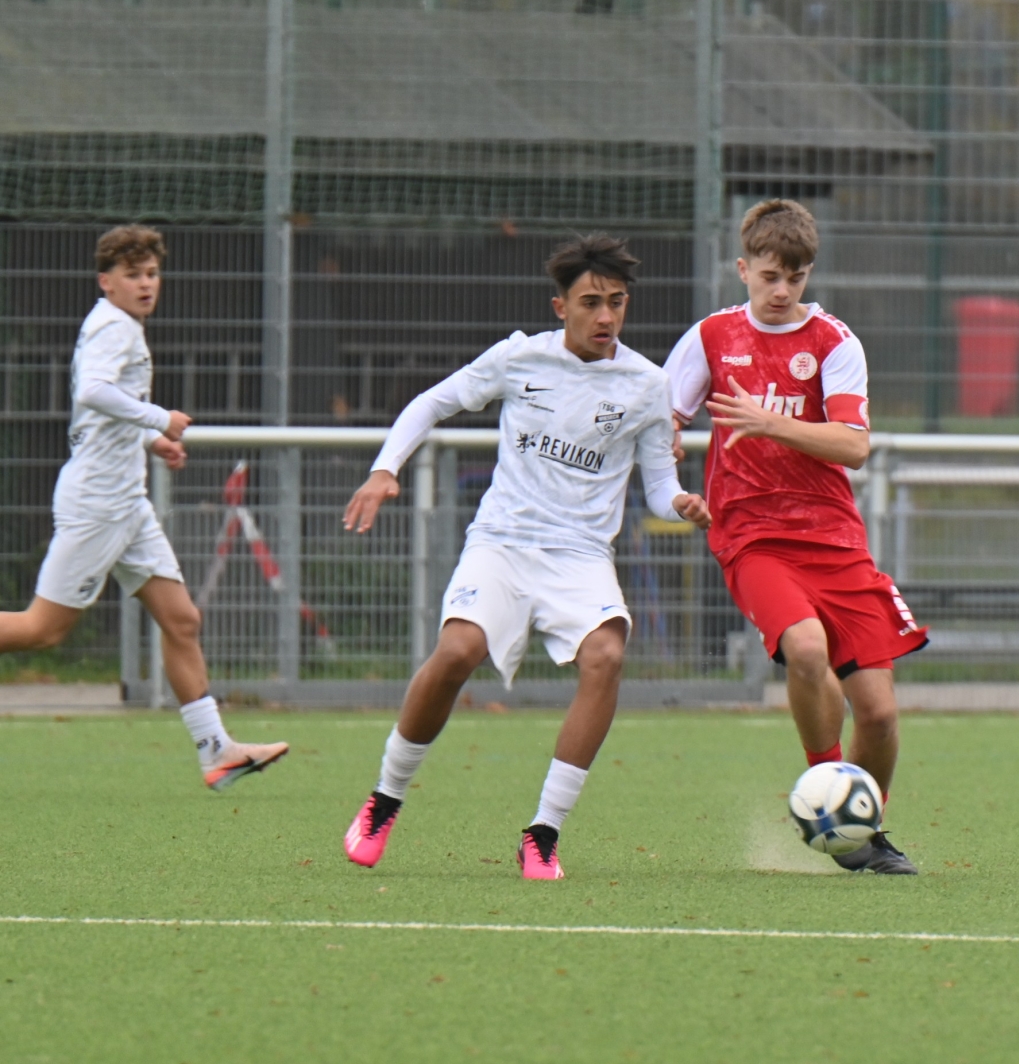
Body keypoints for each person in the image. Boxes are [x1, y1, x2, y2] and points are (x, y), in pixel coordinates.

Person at [339, 235, 710, 880]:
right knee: (457, 652)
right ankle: (384, 800)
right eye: (590, 302)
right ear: (560, 306)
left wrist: (680, 503)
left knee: (606, 656)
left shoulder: (649, 385)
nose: (605, 316)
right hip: (503, 543)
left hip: (581, 555)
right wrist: (384, 469)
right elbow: (432, 402)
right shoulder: (519, 357)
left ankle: (543, 834)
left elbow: (658, 485)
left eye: (617, 302)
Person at [666, 199, 926, 875]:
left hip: (835, 539)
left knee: (879, 714)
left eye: (796, 277)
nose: (782, 290)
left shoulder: (834, 342)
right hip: (751, 535)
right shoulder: (712, 337)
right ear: (743, 268)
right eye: (770, 276)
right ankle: (826, 794)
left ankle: (862, 829)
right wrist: (671, 482)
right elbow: (658, 421)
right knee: (806, 648)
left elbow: (853, 446)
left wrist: (768, 422)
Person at [0, 225, 287, 788]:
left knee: (182, 620)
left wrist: (151, 442)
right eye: (132, 275)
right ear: (106, 281)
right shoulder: (115, 326)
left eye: (152, 273)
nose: (145, 283)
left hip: (126, 503)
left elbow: (103, 411)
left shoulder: (118, 324)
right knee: (42, 629)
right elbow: (93, 392)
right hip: (99, 504)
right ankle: (216, 750)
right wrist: (160, 419)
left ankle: (217, 752)